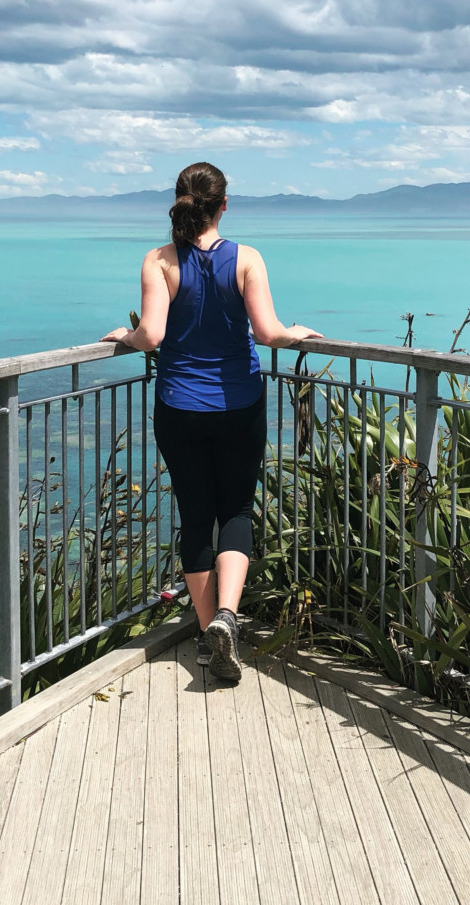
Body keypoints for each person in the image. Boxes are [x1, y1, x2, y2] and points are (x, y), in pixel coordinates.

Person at [100, 162, 322, 683]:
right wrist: (297, 332)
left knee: (195, 514)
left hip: (178, 406)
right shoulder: (247, 258)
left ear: (178, 202)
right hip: (239, 404)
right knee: (237, 509)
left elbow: (150, 335)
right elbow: (268, 333)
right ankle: (227, 616)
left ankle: (209, 638)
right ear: (224, 205)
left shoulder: (159, 261)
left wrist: (123, 337)